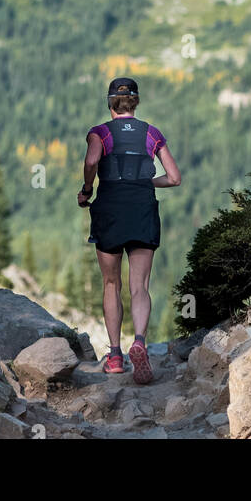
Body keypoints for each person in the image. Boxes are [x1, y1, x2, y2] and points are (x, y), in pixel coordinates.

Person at [77, 76, 181, 385]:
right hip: (142, 210)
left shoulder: (100, 133)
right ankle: (139, 341)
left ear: (110, 103)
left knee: (111, 284)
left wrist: (86, 188)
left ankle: (115, 356)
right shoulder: (152, 133)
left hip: (109, 210)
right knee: (140, 285)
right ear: (135, 103)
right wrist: (146, 181)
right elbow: (174, 178)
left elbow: (93, 159)